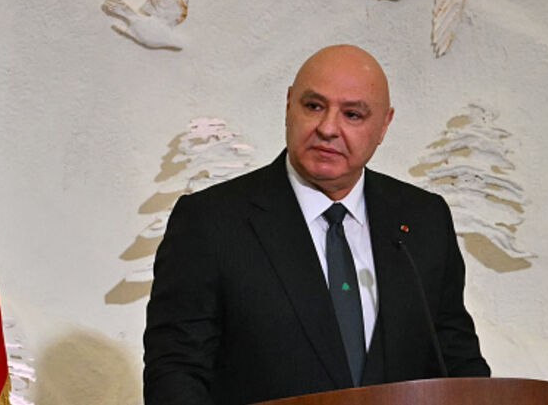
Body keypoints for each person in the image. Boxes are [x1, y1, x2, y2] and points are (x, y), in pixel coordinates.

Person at [143, 45, 490, 405]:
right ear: (289, 105)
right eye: (313, 106)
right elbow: (176, 373)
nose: (328, 129)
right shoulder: (211, 222)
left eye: (353, 115)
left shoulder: (423, 220)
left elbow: (458, 362)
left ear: (384, 125)